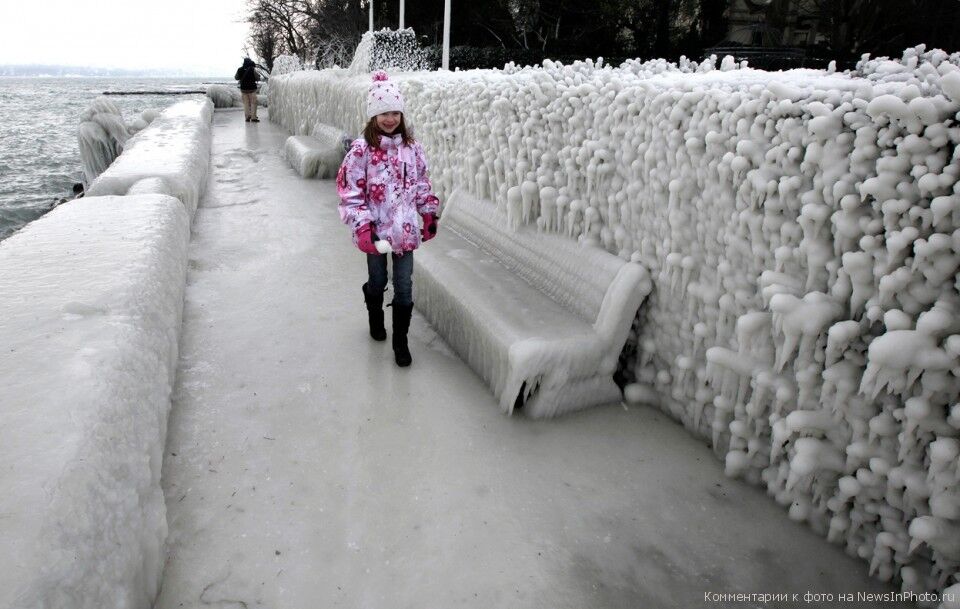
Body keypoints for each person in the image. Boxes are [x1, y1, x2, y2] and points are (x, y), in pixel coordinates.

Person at [336, 71, 441, 367]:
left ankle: (401, 342)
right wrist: (363, 227)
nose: (390, 118)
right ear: (373, 115)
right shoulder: (361, 151)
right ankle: (374, 312)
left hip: (405, 231)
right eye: (383, 112)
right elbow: (350, 192)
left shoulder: (412, 148)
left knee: (404, 286)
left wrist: (428, 211)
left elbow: (421, 183)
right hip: (377, 233)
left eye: (395, 112)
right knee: (379, 279)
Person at [234, 58, 260, 122]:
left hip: (243, 89)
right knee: (253, 103)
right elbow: (257, 78)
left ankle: (247, 117)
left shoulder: (240, 69)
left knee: (246, 104)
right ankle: (253, 117)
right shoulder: (252, 69)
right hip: (252, 89)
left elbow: (236, 77)